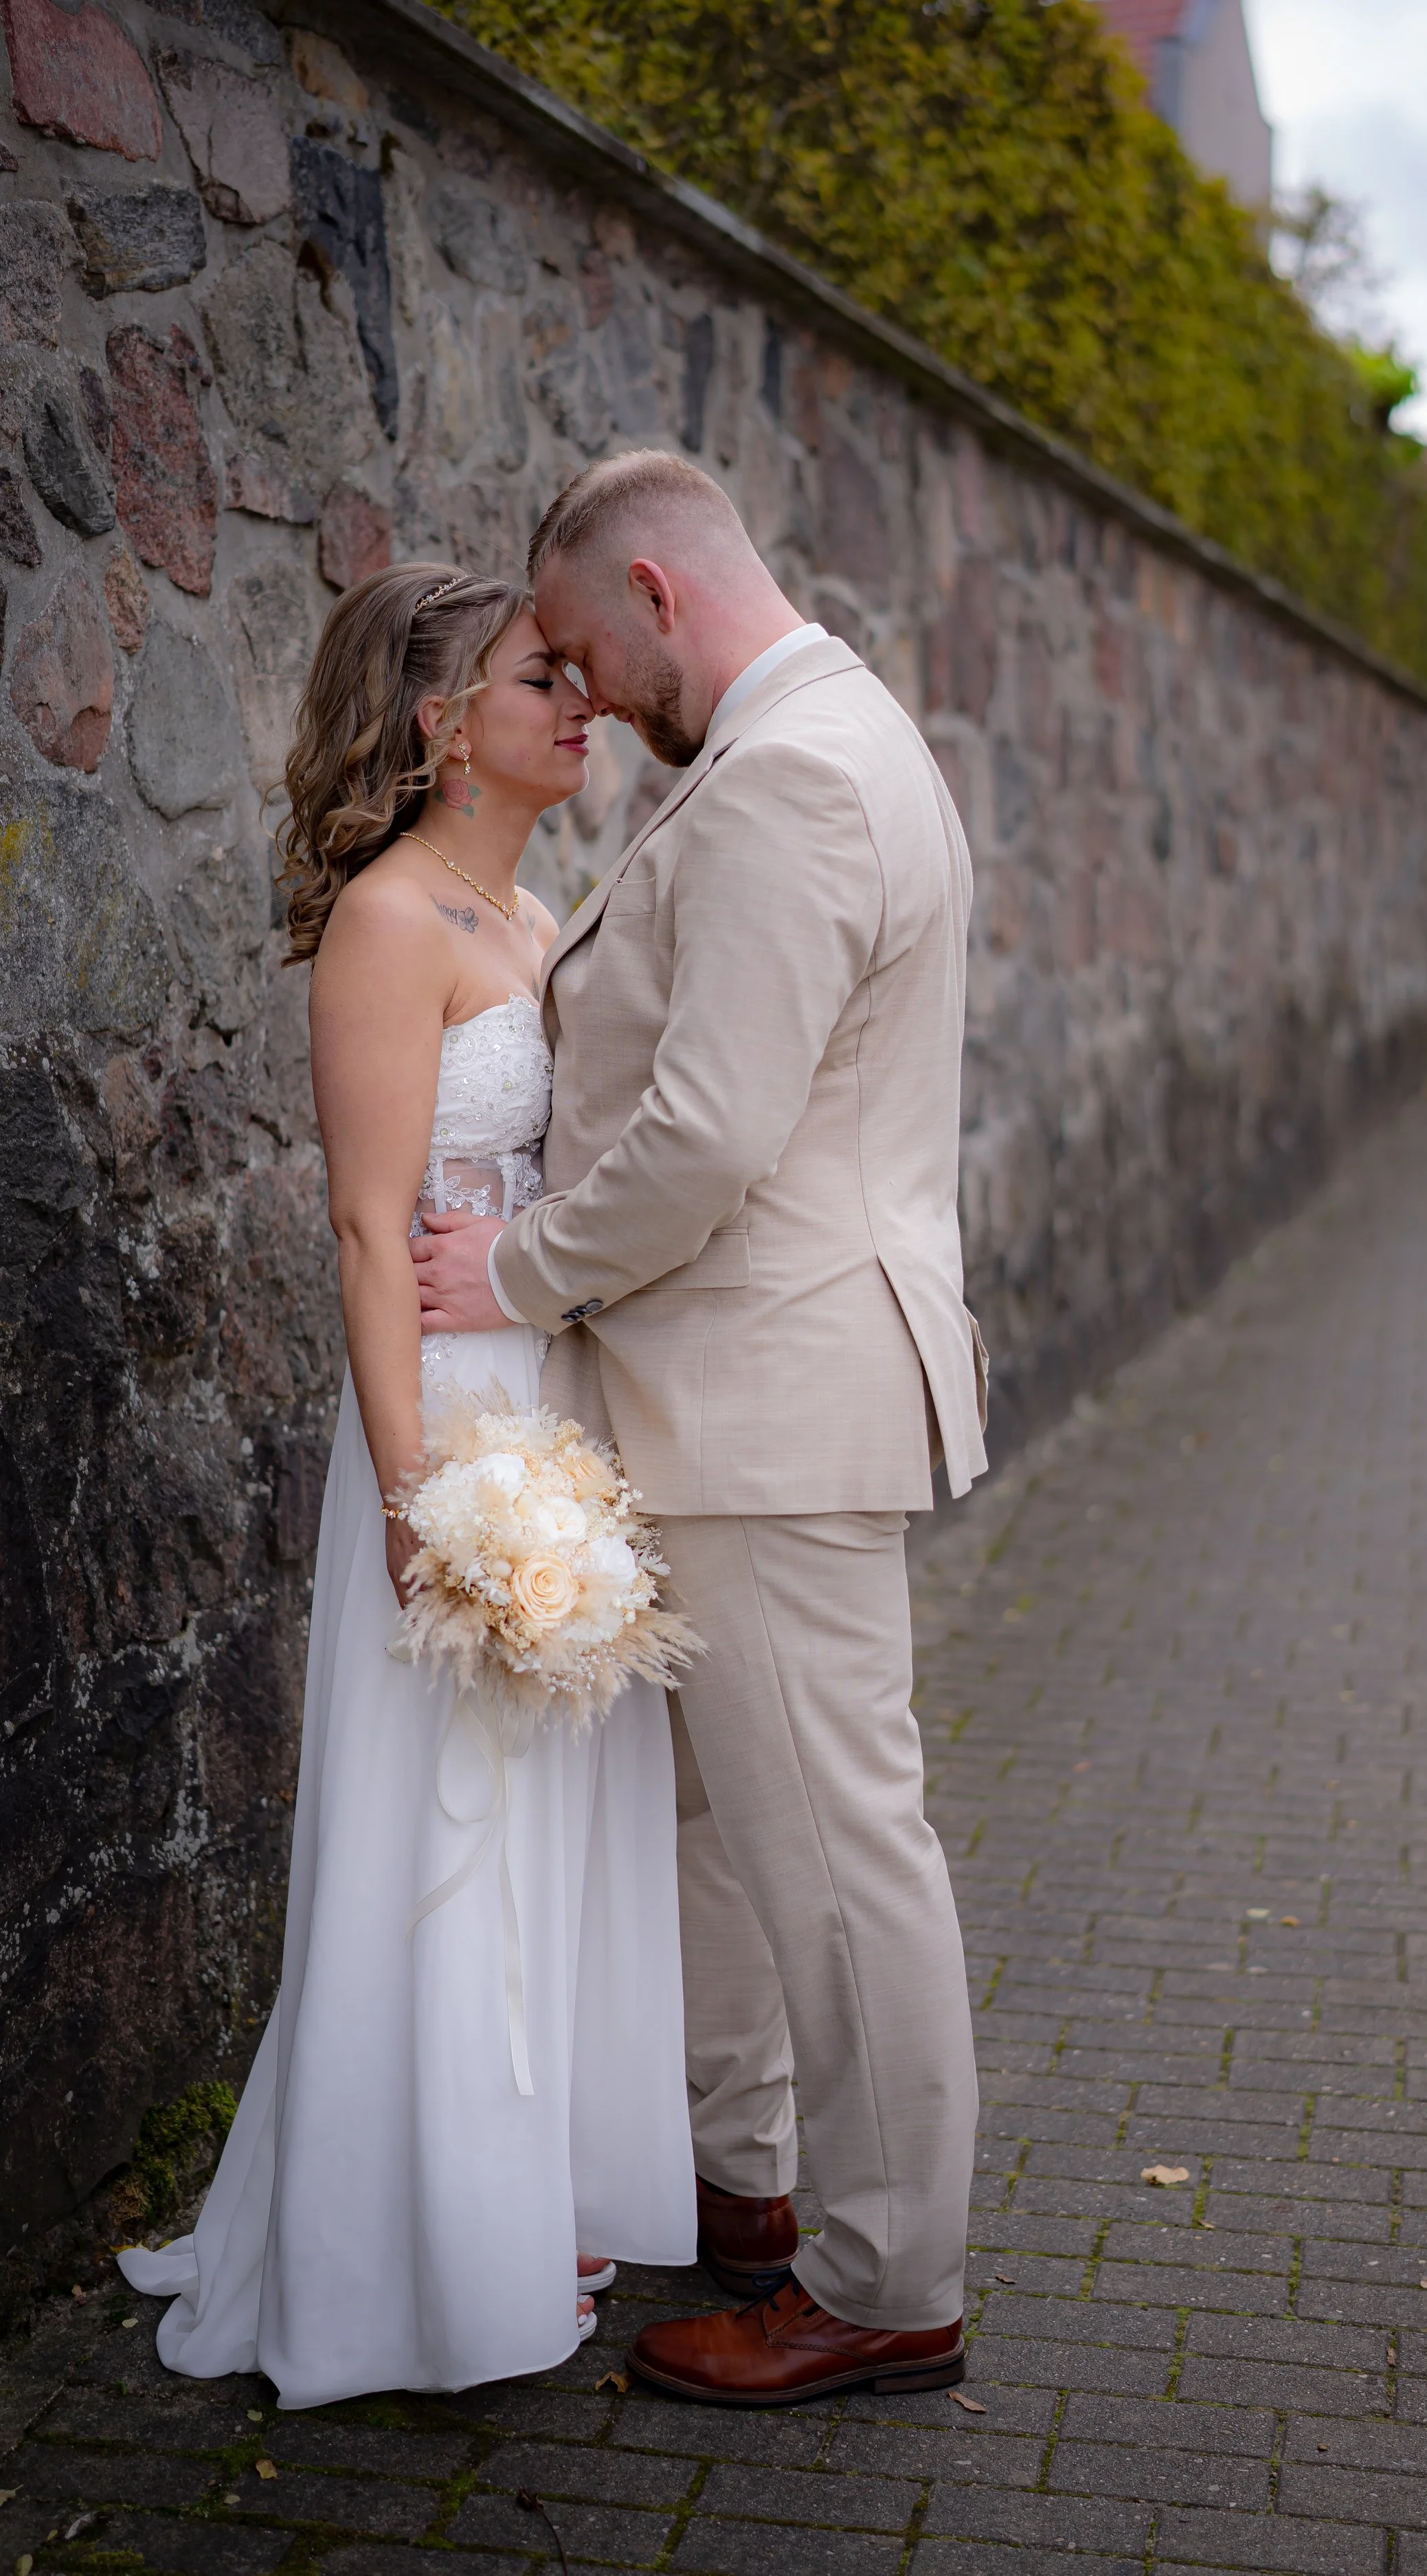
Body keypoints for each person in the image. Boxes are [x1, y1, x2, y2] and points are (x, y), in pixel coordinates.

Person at [409, 452, 989, 2404]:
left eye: (587, 649)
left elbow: (709, 1135)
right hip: (737, 1394)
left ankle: (887, 2280)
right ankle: (746, 2186)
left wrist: (514, 1274)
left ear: (658, 591)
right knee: (734, 1831)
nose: (584, 691)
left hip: (771, 1397)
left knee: (835, 1848)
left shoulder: (796, 774)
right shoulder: (817, 744)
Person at [117, 564, 697, 2408]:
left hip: (555, 1402)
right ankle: (414, 2252)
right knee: (447, 1825)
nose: (582, 703)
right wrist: (407, 1496)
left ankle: (526, 2198)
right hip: (445, 1424)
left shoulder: (530, 914)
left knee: (552, 1818)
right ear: (445, 723)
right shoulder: (389, 923)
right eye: (542, 679)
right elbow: (371, 1230)